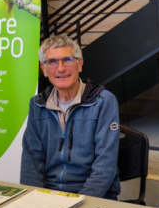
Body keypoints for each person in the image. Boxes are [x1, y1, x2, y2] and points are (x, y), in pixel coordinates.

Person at [20, 35, 121, 199]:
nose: (60, 68)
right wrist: (32, 200)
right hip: (50, 195)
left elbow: (105, 165)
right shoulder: (37, 105)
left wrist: (78, 202)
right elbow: (31, 161)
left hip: (94, 197)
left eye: (67, 60)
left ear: (79, 64)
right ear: (44, 69)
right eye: (52, 62)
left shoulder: (103, 102)